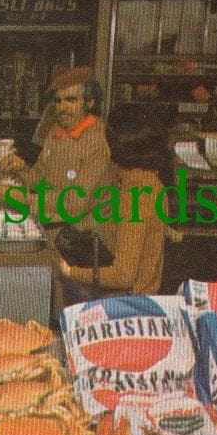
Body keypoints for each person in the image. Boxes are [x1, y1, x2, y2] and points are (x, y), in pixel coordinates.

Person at [58, 104, 168, 298]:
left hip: (129, 305)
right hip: (142, 297)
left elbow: (123, 275)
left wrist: (70, 271)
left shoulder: (137, 194)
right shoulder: (148, 180)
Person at [0, 66, 111, 226]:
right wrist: (21, 169)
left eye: (71, 100)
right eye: (58, 101)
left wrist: (16, 196)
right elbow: (39, 180)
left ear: (90, 102)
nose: (62, 107)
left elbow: (74, 205)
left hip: (83, 235)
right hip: (54, 225)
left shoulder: (99, 141)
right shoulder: (56, 131)